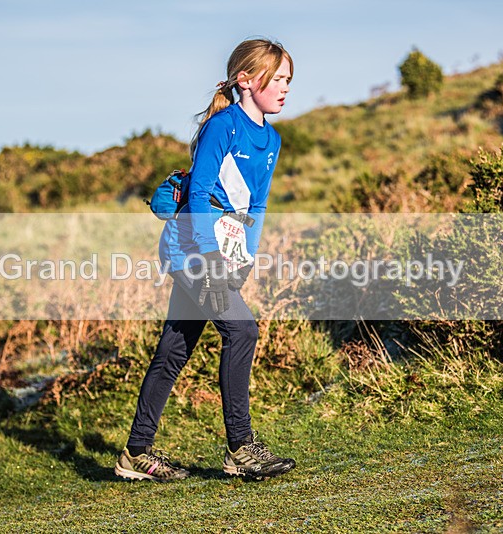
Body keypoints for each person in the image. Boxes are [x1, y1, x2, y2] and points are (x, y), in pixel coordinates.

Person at [114, 38, 295, 481]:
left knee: (174, 349)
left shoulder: (271, 139)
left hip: (223, 252)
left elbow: (256, 206)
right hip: (190, 249)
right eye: (277, 79)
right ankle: (241, 448)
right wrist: (213, 261)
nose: (285, 88)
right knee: (242, 329)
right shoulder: (223, 127)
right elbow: (197, 195)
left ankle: (135, 453)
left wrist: (245, 258)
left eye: (289, 80)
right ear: (246, 80)